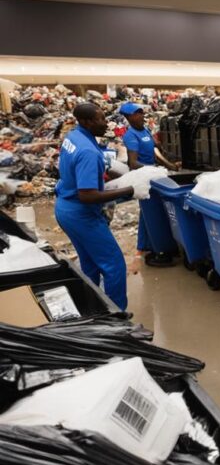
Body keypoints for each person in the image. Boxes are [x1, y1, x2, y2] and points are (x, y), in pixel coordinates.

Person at [54, 103, 138, 310]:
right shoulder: (88, 152)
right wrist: (129, 189)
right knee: (114, 264)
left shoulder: (74, 137)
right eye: (100, 119)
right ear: (86, 122)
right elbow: (88, 195)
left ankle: (94, 308)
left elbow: (83, 171)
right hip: (81, 214)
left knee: (90, 263)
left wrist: (117, 177)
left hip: (64, 208)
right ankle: (118, 318)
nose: (105, 122)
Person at [120, 102, 180, 269]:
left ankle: (144, 245)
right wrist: (153, 170)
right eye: (136, 113)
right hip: (144, 180)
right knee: (153, 214)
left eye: (141, 112)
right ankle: (160, 250)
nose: (141, 115)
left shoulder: (144, 130)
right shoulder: (131, 135)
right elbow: (133, 163)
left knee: (146, 215)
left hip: (154, 176)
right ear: (128, 117)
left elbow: (155, 151)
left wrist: (168, 165)